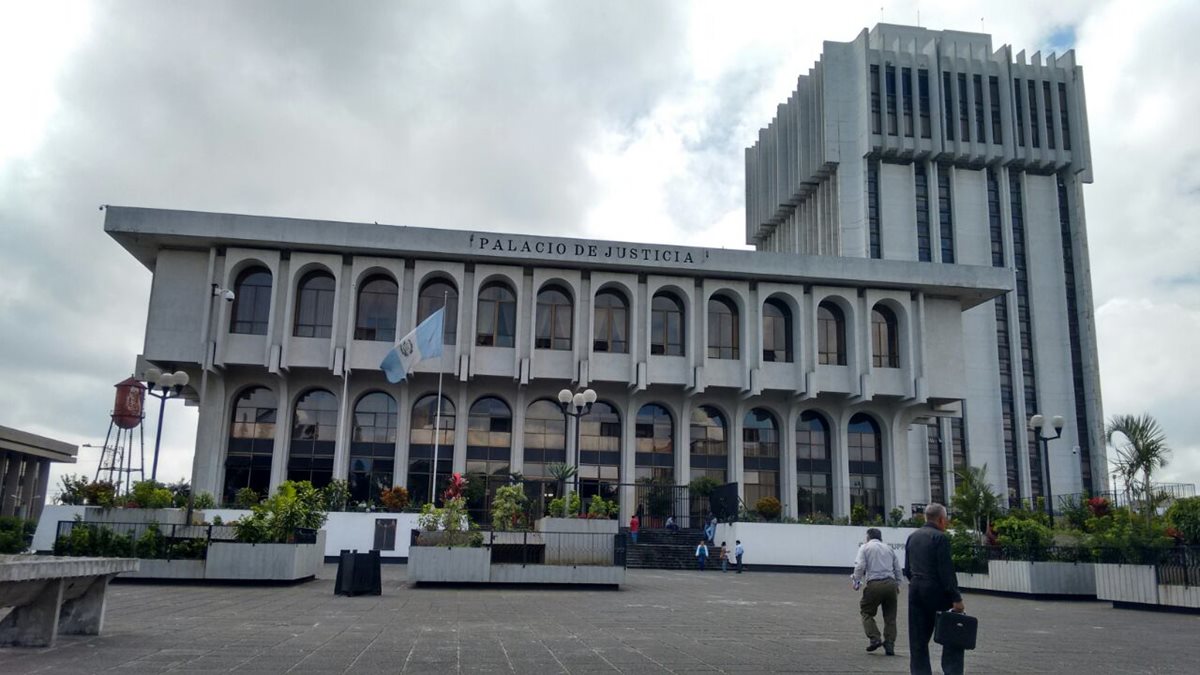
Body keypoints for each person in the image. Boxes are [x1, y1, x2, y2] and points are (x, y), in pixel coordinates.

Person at [904, 503, 965, 675]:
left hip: (915, 589)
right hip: (936, 590)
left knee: (918, 639)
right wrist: (956, 598)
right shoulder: (940, 538)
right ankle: (952, 671)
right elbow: (946, 571)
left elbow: (907, 569)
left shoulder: (913, 536)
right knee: (952, 634)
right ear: (941, 519)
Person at [852, 528, 903, 656]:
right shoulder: (889, 548)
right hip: (890, 584)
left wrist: (856, 581)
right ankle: (890, 644)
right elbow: (897, 568)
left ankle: (875, 638)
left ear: (868, 537)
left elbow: (860, 566)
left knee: (866, 612)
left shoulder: (865, 547)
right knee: (890, 617)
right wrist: (897, 584)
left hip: (874, 584)